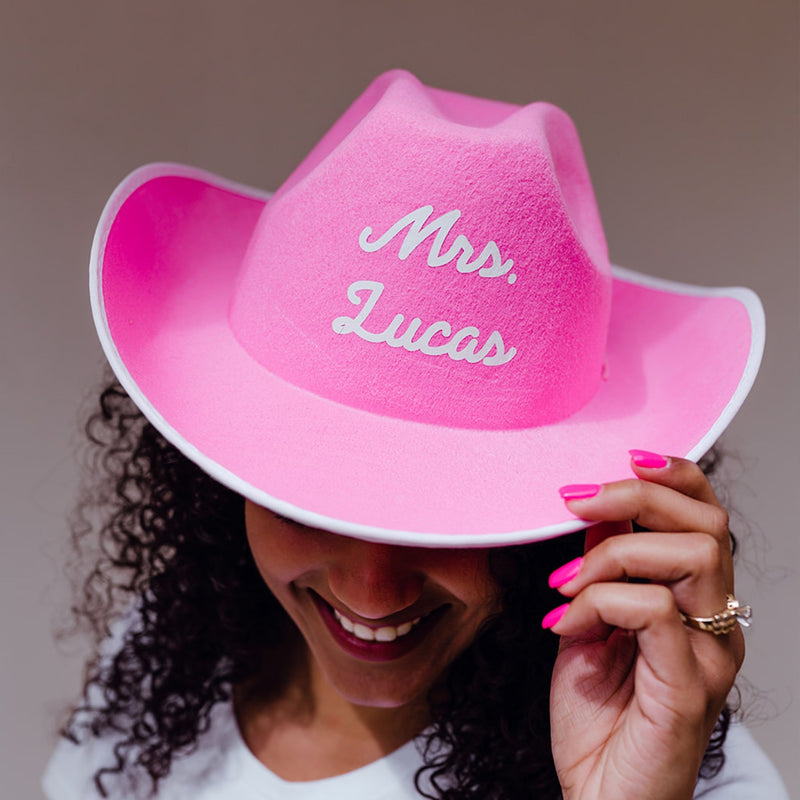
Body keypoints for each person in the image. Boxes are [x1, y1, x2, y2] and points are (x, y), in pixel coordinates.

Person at [43, 70, 788, 799]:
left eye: (450, 518)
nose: (371, 588)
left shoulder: (686, 769)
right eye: (309, 495)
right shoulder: (171, 657)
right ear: (221, 480)